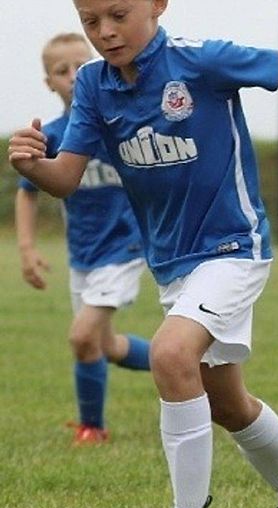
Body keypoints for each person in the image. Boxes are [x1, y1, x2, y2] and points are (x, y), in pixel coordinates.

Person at [8, 1, 278, 508]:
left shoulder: (201, 61)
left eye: (118, 14)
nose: (105, 32)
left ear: (157, 4)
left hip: (233, 246)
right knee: (227, 404)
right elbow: (65, 179)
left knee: (170, 353)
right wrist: (33, 165)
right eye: (90, 21)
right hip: (173, 265)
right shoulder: (94, 85)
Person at [15, 32, 152, 446]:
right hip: (83, 255)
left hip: (125, 248)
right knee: (104, 344)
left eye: (81, 66)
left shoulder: (122, 123)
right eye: (62, 71)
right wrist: (27, 249)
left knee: (81, 336)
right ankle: (189, 363)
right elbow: (27, 192)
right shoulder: (55, 135)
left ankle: (93, 428)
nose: (74, 76)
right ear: (49, 83)